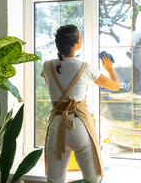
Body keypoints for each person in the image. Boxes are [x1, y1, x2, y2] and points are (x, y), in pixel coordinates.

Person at [41, 24, 119, 183]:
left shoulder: (47, 66)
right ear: (75, 45)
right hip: (78, 127)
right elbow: (115, 86)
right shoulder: (86, 68)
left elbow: (55, 93)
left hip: (56, 128)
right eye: (80, 36)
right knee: (93, 179)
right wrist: (109, 69)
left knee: (54, 180)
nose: (82, 38)